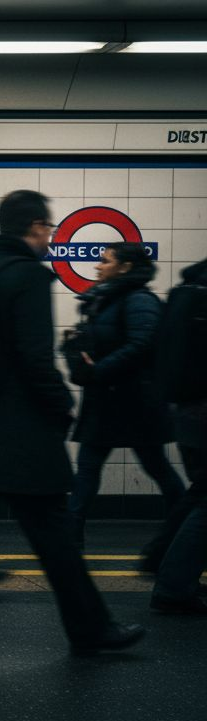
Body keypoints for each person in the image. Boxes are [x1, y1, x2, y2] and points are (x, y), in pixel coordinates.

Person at [0, 190, 145, 654]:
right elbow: (35, 360)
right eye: (49, 228)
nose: (51, 236)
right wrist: (61, 409)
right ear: (35, 226)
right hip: (21, 432)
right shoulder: (27, 278)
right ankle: (90, 629)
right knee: (54, 537)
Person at [63, 242, 182, 550]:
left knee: (155, 467)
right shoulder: (107, 299)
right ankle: (70, 538)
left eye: (105, 261)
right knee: (90, 468)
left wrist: (99, 369)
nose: (98, 266)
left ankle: (185, 527)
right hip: (109, 401)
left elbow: (143, 343)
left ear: (125, 267)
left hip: (135, 402)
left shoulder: (139, 300)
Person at [151, 258, 207, 615]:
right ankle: (172, 583)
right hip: (202, 411)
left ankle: (163, 563)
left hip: (185, 411)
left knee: (198, 494)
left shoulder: (183, 293)